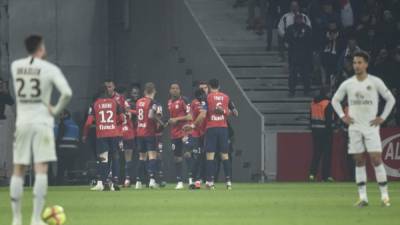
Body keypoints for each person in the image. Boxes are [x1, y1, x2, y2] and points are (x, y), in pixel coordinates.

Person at [9, 34, 72, 225]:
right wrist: (55, 110)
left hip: (23, 122)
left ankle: (16, 218)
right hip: (42, 123)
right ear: (41, 48)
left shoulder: (15, 66)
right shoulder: (50, 69)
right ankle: (36, 219)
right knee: (41, 169)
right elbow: (67, 93)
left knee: (19, 168)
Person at [331, 50, 396, 207]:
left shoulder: (375, 81)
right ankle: (363, 198)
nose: (356, 66)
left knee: (376, 159)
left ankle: (385, 197)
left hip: (371, 127)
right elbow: (335, 100)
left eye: (360, 62)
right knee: (359, 161)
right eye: (354, 63)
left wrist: (382, 117)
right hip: (354, 128)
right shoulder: (348, 83)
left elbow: (391, 99)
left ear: (366, 64)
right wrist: (342, 116)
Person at [82, 86, 123, 191]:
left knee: (103, 158)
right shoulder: (114, 103)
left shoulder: (95, 104)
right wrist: (114, 123)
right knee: (115, 157)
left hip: (102, 134)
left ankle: (104, 182)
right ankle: (115, 182)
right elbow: (122, 118)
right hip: (113, 133)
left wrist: (85, 134)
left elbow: (88, 123)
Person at [204, 79, 233, 190]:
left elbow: (204, 113)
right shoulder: (226, 97)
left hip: (211, 127)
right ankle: (228, 182)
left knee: (210, 155)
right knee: (225, 155)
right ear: (219, 86)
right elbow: (230, 112)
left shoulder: (208, 97)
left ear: (210, 86)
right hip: (223, 128)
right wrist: (224, 112)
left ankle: (210, 182)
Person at [135, 82, 163, 189]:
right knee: (152, 156)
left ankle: (138, 181)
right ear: (154, 91)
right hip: (149, 132)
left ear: (144, 91)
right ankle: (152, 180)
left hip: (139, 131)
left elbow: (138, 117)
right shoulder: (154, 102)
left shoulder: (138, 102)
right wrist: (161, 123)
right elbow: (152, 115)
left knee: (141, 157)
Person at [167, 83, 193, 189]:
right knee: (177, 158)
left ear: (180, 90)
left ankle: (191, 180)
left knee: (187, 154)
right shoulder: (169, 102)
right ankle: (179, 181)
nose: (175, 90)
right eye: (173, 88)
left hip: (185, 132)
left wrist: (176, 119)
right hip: (174, 134)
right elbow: (171, 118)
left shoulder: (184, 100)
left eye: (177, 88)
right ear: (170, 90)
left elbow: (190, 116)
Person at [308, 87, 334, 182]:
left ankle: (312, 174)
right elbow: (329, 121)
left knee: (316, 154)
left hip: (315, 131)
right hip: (325, 132)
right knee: (326, 155)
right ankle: (325, 176)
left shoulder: (313, 103)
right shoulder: (327, 104)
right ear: (327, 93)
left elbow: (310, 118)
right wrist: (331, 131)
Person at [184, 88, 207, 189]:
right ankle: (191, 180)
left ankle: (197, 180)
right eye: (203, 95)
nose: (205, 96)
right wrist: (190, 128)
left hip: (202, 133)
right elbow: (196, 116)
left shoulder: (203, 103)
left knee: (200, 157)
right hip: (195, 134)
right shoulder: (196, 103)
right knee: (194, 156)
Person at [104, 80, 126, 187]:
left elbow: (124, 113)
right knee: (106, 154)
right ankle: (106, 177)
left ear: (114, 87)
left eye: (110, 86)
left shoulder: (119, 98)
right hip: (105, 131)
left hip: (117, 131)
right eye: (107, 87)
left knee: (116, 154)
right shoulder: (102, 99)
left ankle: (116, 178)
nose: (108, 88)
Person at [285, 14, 313, 97]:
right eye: (297, 19)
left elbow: (310, 42)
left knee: (306, 75)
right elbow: (286, 40)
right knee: (293, 75)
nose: (298, 20)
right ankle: (291, 91)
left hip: (305, 56)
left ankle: (307, 91)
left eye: (300, 19)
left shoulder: (307, 29)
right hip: (294, 55)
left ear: (302, 19)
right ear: (294, 19)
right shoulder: (290, 29)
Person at [121, 85, 140, 187]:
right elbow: (127, 111)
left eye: (137, 93)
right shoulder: (127, 102)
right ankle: (127, 178)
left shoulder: (141, 102)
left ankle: (140, 179)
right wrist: (132, 111)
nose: (135, 95)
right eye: (133, 93)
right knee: (128, 157)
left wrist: (132, 112)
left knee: (140, 157)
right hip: (130, 133)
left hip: (140, 133)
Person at [54, 109, 79, 185]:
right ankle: (73, 183)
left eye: (61, 114)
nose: (59, 116)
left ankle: (59, 184)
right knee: (71, 168)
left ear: (65, 115)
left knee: (61, 169)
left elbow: (55, 137)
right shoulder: (75, 125)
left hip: (63, 149)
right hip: (73, 150)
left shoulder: (59, 125)